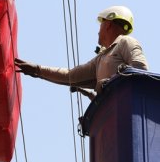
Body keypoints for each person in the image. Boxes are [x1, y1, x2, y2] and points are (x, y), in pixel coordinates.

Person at [15, 5, 148, 96]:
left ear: (108, 24)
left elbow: (140, 69)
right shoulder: (100, 59)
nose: (98, 30)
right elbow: (70, 76)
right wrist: (37, 70)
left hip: (127, 108)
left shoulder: (126, 42)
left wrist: (112, 82)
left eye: (101, 24)